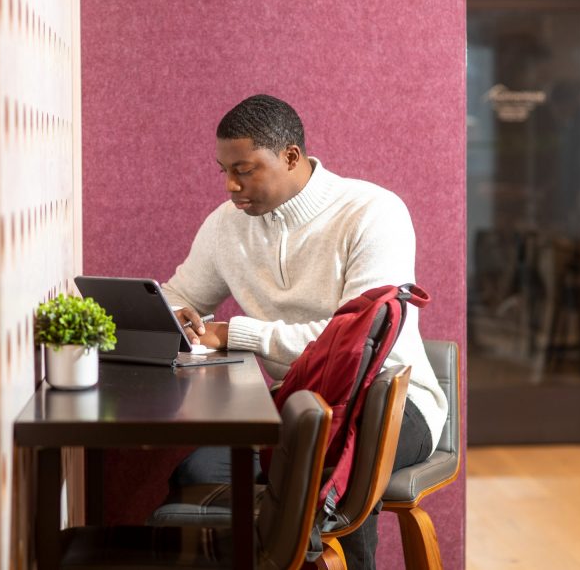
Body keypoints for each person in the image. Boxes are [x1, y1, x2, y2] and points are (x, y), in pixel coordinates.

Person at [161, 94, 447, 569]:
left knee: (327, 467)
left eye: (245, 169)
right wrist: (175, 314)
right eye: (223, 170)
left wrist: (234, 332)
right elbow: (179, 295)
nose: (231, 185)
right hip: (293, 401)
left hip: (391, 401)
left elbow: (357, 344)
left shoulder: (373, 212)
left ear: (291, 156)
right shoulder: (226, 226)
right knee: (195, 472)